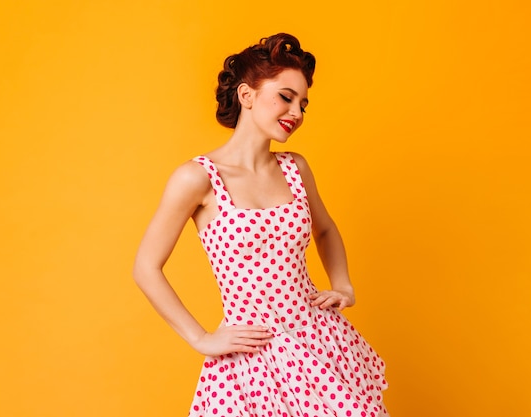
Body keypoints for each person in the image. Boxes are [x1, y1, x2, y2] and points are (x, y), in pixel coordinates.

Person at [133, 33, 389, 417]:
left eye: (303, 104)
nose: (296, 113)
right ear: (246, 95)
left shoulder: (295, 168)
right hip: (252, 359)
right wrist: (201, 338)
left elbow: (325, 229)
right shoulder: (197, 178)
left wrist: (343, 286)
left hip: (318, 341)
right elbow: (145, 268)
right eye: (286, 97)